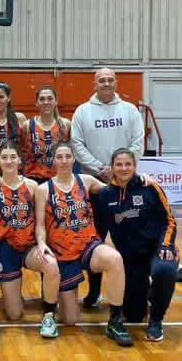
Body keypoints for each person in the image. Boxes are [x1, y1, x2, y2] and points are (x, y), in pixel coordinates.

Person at [34, 142, 132, 347]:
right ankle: (51, 305)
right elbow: (40, 224)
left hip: (88, 246)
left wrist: (140, 179)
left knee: (114, 258)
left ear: (73, 159)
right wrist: (42, 243)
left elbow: (117, 186)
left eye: (67, 156)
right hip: (62, 253)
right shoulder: (43, 189)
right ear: (53, 161)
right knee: (70, 319)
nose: (64, 161)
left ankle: (115, 321)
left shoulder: (86, 181)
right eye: (59, 157)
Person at [70, 68, 145, 309]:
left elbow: (138, 142)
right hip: (95, 186)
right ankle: (94, 291)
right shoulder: (83, 111)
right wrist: (99, 169)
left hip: (125, 184)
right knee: (95, 238)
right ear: (94, 84)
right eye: (101, 80)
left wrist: (118, 169)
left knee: (131, 238)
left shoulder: (130, 110)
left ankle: (132, 292)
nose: (106, 83)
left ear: (116, 82)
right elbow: (76, 144)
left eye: (110, 80)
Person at [98, 148, 179, 342]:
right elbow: (99, 230)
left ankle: (156, 320)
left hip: (155, 249)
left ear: (135, 166)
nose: (124, 168)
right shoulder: (105, 194)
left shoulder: (150, 187)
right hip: (130, 259)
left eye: (128, 164)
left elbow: (169, 221)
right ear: (112, 167)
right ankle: (149, 293)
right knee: (134, 315)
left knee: (164, 270)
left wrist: (166, 246)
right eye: (119, 164)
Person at [0, 142, 61, 338]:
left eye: (13, 157)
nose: (9, 161)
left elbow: (41, 220)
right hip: (5, 249)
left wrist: (42, 243)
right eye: (4, 157)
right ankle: (13, 293)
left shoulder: (32, 186)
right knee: (14, 314)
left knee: (51, 263)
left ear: (19, 160)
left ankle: (49, 315)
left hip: (29, 246)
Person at [22, 86, 71, 183]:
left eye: (50, 98)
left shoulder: (65, 125)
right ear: (36, 103)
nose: (46, 102)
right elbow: (22, 152)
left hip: (60, 179)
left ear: (56, 101)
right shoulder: (27, 126)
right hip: (34, 179)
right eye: (42, 99)